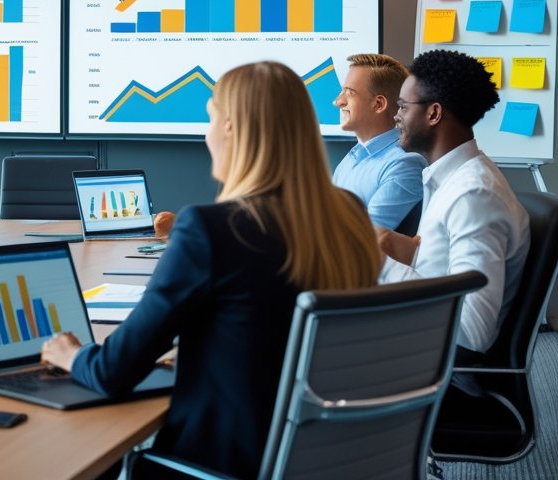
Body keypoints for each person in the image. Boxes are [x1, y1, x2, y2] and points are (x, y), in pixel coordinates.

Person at [42, 61, 381, 478]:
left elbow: (112, 372)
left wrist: (70, 354)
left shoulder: (210, 228)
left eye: (209, 119)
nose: (206, 134)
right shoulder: (348, 215)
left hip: (220, 464)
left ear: (233, 129)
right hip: (327, 457)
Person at [380, 49, 529, 355]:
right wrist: (403, 250)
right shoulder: (449, 178)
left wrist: (379, 263)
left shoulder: (473, 195)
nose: (395, 116)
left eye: (403, 107)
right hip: (415, 340)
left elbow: (473, 332)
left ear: (433, 114)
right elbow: (442, 271)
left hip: (435, 368)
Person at [332, 53, 427, 229]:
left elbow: (370, 238)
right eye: (341, 91)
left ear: (378, 104)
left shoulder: (404, 164)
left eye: (350, 93)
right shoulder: (351, 159)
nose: (338, 102)